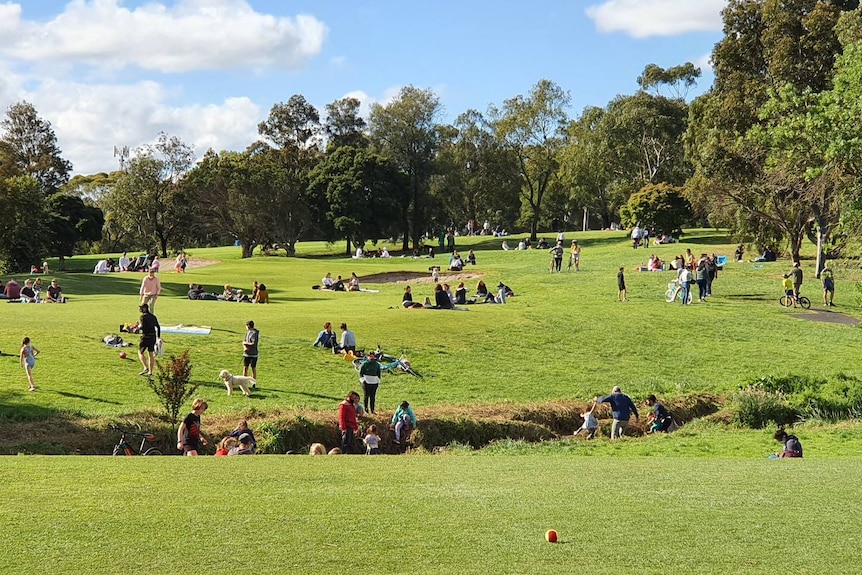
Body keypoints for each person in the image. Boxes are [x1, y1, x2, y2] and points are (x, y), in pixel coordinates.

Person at [137, 303, 161, 376]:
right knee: (151, 354)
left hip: (146, 336)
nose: (140, 309)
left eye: (141, 308)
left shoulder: (143, 317)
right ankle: (150, 372)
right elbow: (158, 327)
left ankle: (145, 367)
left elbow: (143, 327)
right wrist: (158, 337)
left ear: (144, 308)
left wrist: (138, 328)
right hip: (153, 336)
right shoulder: (153, 316)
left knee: (140, 352)